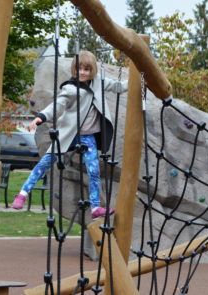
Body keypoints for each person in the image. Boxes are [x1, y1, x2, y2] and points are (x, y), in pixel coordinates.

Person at [12, 50, 128, 220]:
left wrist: (139, 80)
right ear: (74, 70)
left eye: (87, 69)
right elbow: (57, 106)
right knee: (45, 162)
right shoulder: (70, 89)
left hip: (88, 136)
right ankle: (22, 193)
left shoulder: (98, 82)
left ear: (93, 71)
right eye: (79, 69)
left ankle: (95, 207)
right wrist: (40, 117)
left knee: (93, 170)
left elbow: (119, 87)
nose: (82, 72)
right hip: (69, 134)